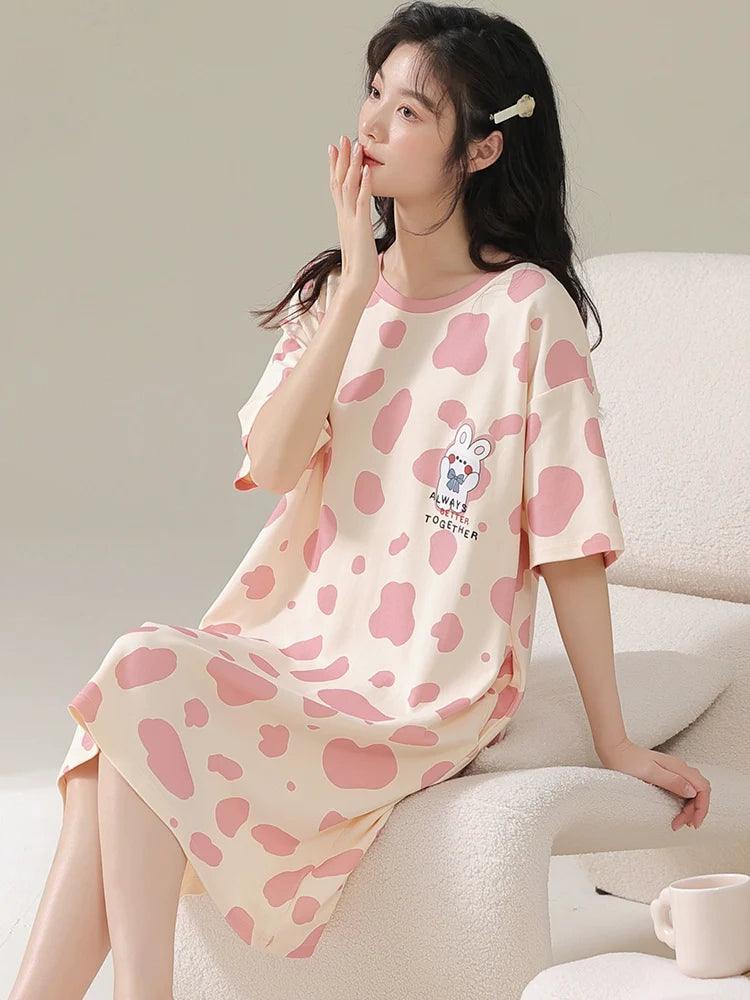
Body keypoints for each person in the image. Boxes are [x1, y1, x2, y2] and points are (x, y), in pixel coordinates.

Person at [11, 2, 711, 995]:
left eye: (411, 110)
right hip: (295, 641)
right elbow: (274, 459)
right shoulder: (341, 293)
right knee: (126, 709)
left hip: (425, 676)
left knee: (133, 689)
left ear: (480, 150)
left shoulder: (528, 312)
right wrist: (356, 290)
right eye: (373, 94)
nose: (372, 124)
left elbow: (567, 537)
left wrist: (615, 736)